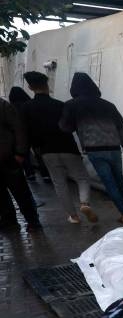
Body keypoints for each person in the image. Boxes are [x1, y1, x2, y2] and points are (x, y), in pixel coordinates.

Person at [59, 72, 123, 224]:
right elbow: (122, 127)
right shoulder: (108, 105)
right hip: (115, 147)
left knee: (109, 182)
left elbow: (65, 127)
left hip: (95, 149)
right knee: (119, 179)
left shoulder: (71, 104)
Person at [22, 71, 98, 224]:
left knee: (59, 182)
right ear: (47, 85)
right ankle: (84, 203)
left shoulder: (26, 108)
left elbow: (26, 131)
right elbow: (71, 126)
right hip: (67, 146)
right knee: (82, 178)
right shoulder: (60, 105)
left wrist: (33, 148)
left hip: (45, 150)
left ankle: (73, 216)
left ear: (30, 87)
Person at [0, 96, 42, 231]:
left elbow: (19, 128)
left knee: (21, 192)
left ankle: (33, 221)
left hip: (8, 158)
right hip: (8, 156)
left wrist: (20, 153)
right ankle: (9, 221)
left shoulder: (3, 106)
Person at [7, 86, 49, 183]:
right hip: (34, 133)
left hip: (20, 135)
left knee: (25, 155)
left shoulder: (11, 106)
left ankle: (30, 174)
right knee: (39, 154)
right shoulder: (30, 104)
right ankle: (46, 174)